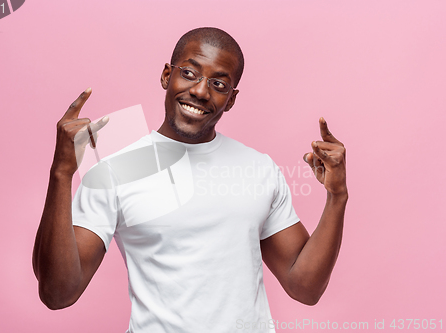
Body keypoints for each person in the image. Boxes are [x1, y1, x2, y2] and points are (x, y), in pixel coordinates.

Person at [32, 27, 348, 332]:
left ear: (232, 99)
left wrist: (337, 197)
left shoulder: (259, 168)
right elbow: (58, 294)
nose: (200, 91)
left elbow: (304, 288)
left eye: (219, 85)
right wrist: (61, 172)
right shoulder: (115, 169)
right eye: (189, 73)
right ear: (167, 76)